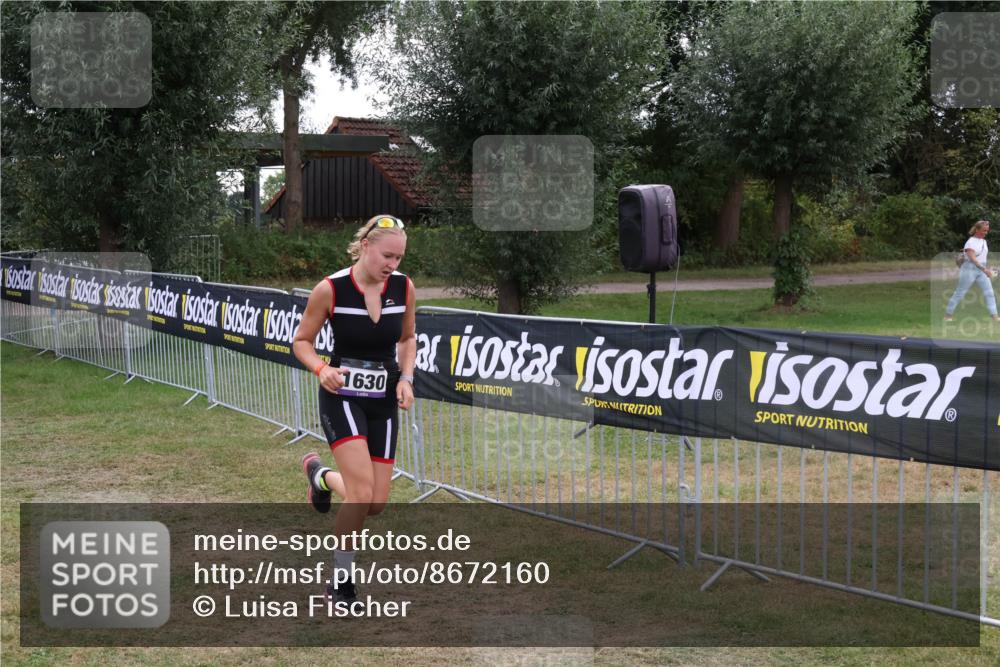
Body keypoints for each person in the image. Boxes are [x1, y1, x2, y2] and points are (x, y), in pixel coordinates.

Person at [292, 214, 416, 608]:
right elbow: (302, 341)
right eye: (387, 255)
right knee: (361, 493)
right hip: (342, 395)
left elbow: (408, 337)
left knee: (375, 503)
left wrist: (406, 378)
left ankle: (321, 477)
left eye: (398, 258)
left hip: (382, 400)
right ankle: (341, 585)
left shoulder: (403, 287)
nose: (392, 265)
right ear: (365, 246)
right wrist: (321, 368)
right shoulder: (329, 290)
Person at [945, 220, 999, 322]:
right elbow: (973, 259)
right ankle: (948, 315)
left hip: (981, 270)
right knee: (960, 292)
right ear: (977, 229)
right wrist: (985, 270)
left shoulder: (984, 241)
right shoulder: (970, 242)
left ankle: (994, 316)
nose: (986, 233)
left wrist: (987, 268)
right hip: (969, 269)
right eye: (984, 230)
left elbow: (982, 258)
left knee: (989, 292)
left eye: (987, 231)